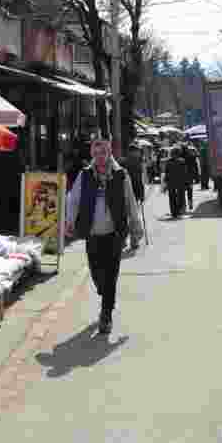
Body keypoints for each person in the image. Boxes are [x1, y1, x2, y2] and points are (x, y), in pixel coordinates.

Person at [65, 139, 143, 334]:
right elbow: (73, 200)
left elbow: (130, 201)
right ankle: (104, 293)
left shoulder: (120, 174)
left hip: (115, 233)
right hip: (92, 233)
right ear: (92, 155)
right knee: (96, 274)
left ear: (109, 154)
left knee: (111, 276)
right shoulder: (85, 175)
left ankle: (106, 315)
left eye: (103, 153)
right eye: (96, 153)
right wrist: (69, 221)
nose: (100, 157)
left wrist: (136, 226)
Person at [164, 146, 189, 218]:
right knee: (180, 197)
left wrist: (166, 183)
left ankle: (174, 213)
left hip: (171, 183)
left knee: (172, 198)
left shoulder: (168, 162)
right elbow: (185, 173)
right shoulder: (182, 161)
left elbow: (166, 173)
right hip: (180, 182)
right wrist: (186, 182)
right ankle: (179, 211)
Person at [183, 144, 200, 210]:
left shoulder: (180, 157)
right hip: (189, 177)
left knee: (182, 191)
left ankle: (184, 205)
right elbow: (195, 167)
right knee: (190, 191)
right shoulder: (192, 156)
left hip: (182, 177)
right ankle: (190, 204)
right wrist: (196, 177)